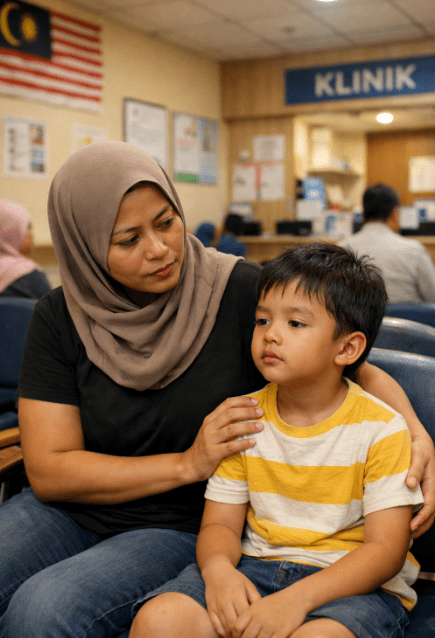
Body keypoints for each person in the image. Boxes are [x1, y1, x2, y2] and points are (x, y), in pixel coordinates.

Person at [0, 142, 433, 638]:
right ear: (85, 247)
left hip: (178, 523)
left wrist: (420, 440)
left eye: (166, 223)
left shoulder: (242, 292)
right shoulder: (59, 315)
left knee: (42, 610)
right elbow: (51, 470)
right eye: (127, 240)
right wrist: (189, 461)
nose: (160, 249)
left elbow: (352, 368)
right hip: (63, 511)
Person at [131, 243, 424, 638]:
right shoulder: (242, 417)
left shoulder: (381, 429)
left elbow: (385, 552)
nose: (271, 335)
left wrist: (296, 600)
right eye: (262, 320)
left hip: (350, 583)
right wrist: (218, 573)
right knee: (159, 621)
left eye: (295, 324)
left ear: (348, 348)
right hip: (254, 565)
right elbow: (219, 524)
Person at [340, 183, 435, 304]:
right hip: (410, 321)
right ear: (395, 213)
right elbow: (433, 296)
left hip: (360, 322)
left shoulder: (341, 249)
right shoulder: (414, 250)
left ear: (363, 213)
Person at [0, 199, 51, 299]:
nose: (31, 234)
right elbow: (57, 312)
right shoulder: (30, 275)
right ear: (9, 231)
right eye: (27, 227)